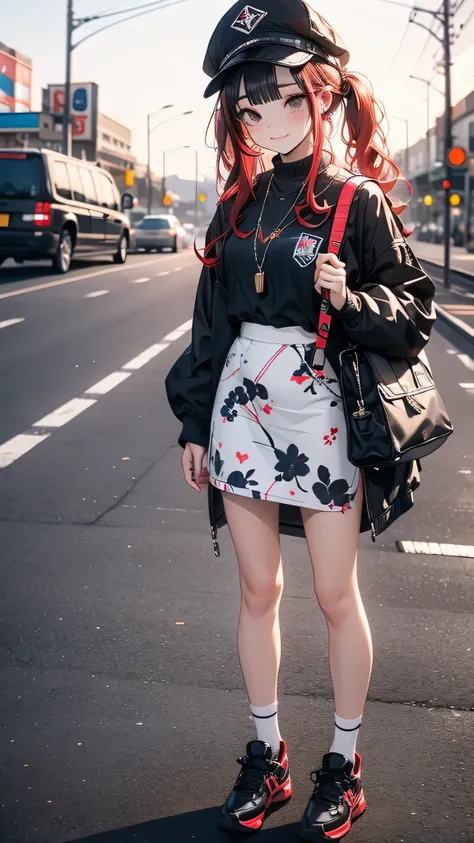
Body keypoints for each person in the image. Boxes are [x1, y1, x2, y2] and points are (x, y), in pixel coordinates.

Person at [165, 1, 436, 839]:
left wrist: (347, 296)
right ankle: (268, 752)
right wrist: (194, 422)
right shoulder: (237, 207)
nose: (264, 117)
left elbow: (413, 310)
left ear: (322, 92)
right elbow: (210, 323)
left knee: (331, 591)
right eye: (247, 105)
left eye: (281, 96)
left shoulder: (355, 202)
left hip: (323, 413)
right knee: (257, 588)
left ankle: (344, 763)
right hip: (243, 409)